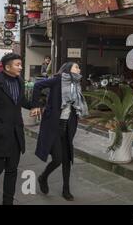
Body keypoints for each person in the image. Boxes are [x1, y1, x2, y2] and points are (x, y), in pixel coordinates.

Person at [0, 53, 38, 205]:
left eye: (21, 64)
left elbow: (21, 101)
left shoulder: (19, 81)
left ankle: (8, 201)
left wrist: (34, 105)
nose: (21, 67)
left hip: (16, 134)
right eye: (17, 64)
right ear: (7, 67)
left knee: (12, 170)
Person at [32, 62, 89, 201]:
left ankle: (66, 190)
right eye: (76, 67)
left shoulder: (76, 83)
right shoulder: (58, 79)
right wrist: (36, 105)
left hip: (69, 125)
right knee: (57, 159)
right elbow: (37, 85)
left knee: (67, 159)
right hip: (54, 125)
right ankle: (43, 177)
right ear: (68, 69)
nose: (79, 69)